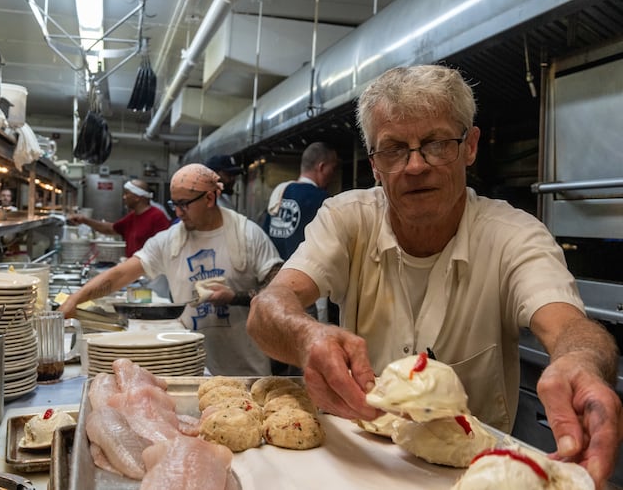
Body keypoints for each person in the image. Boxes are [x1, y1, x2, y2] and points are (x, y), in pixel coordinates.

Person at [247, 64, 622, 487]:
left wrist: (579, 361)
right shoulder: (347, 220)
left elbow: (570, 326)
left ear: (470, 146)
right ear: (373, 164)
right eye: (393, 149)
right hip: (354, 465)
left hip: (473, 474)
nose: (415, 166)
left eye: (436, 143)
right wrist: (305, 336)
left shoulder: (513, 236)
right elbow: (270, 305)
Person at [61, 164, 283, 376]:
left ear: (209, 198)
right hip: (191, 369)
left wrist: (235, 297)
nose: (178, 212)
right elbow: (121, 274)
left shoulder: (248, 235)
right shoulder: (170, 241)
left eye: (184, 204)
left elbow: (280, 290)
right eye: (174, 204)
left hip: (246, 373)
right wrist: (76, 298)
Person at [263, 142, 338, 260]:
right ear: (321, 167)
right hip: (299, 275)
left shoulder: (279, 192)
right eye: (333, 168)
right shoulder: (322, 200)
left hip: (272, 273)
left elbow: (265, 236)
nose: (333, 175)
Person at [68, 179, 171, 258]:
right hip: (134, 272)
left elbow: (165, 249)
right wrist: (85, 220)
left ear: (137, 197)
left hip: (152, 276)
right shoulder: (133, 217)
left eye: (127, 194)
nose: (124, 197)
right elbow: (110, 228)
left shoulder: (157, 217)